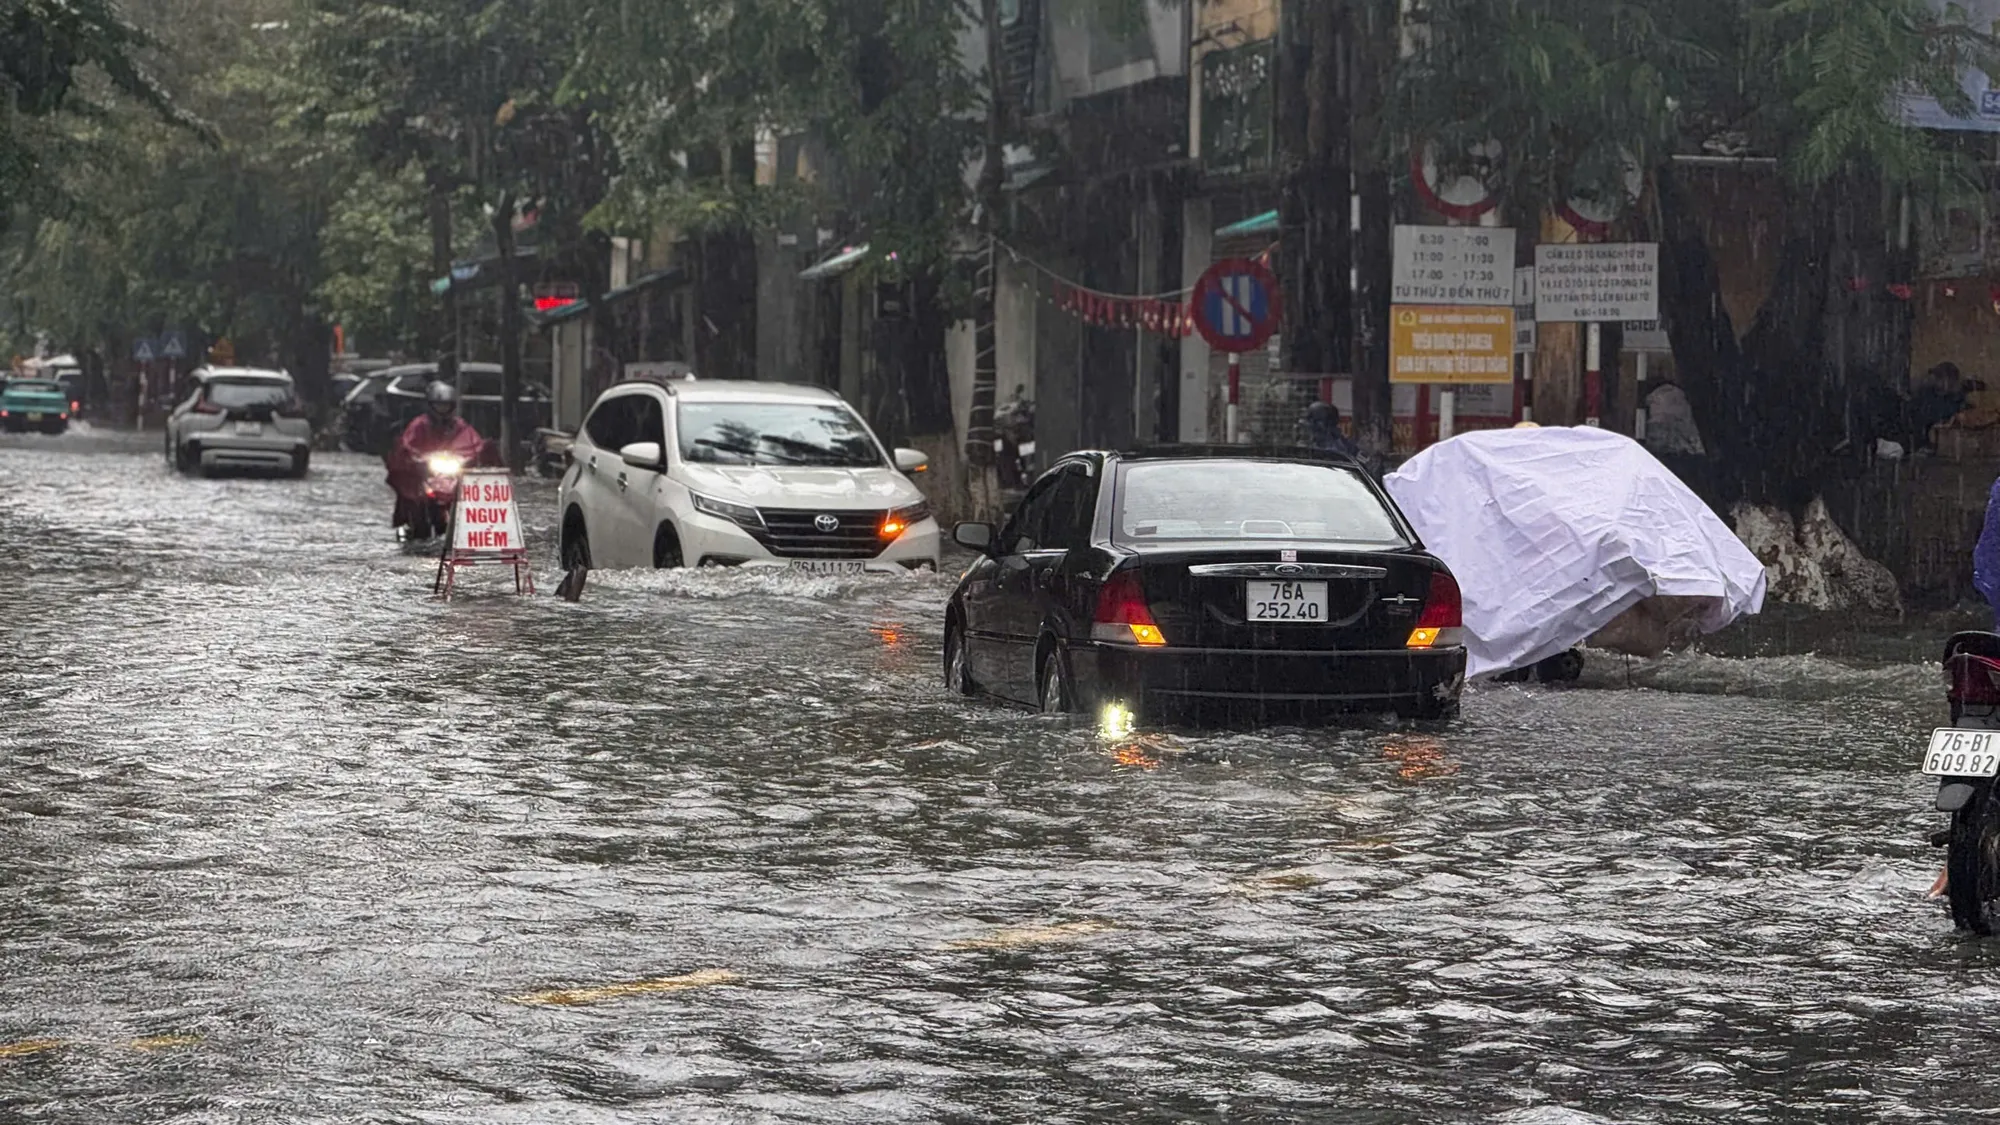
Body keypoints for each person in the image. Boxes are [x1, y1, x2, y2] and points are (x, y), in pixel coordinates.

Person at [385, 381, 493, 538]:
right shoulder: (419, 424)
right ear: (431, 405)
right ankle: (412, 524)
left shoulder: (459, 425)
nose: (442, 409)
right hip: (425, 473)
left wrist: (470, 456)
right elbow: (408, 445)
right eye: (439, 405)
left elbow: (473, 443)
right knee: (414, 496)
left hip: (450, 473)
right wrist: (417, 457)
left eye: (446, 405)